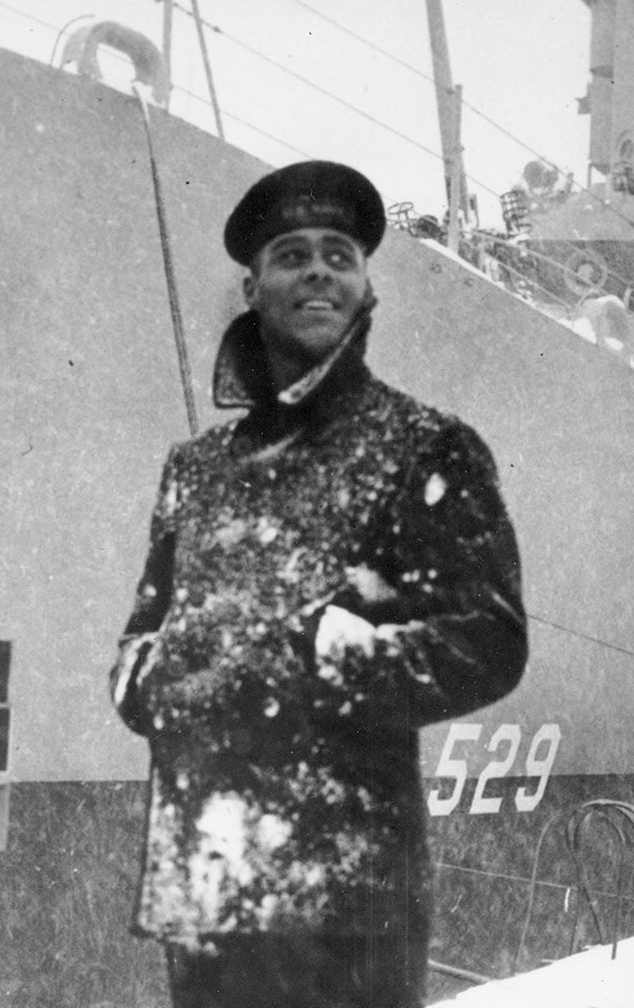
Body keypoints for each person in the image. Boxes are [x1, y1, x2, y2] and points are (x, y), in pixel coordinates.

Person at [110, 161, 528, 1008]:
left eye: (339, 255)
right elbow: (140, 642)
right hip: (208, 891)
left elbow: (490, 638)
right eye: (292, 254)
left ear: (366, 285)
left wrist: (327, 655)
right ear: (252, 285)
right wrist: (157, 676)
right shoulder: (195, 471)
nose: (317, 271)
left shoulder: (425, 447)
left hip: (348, 905)